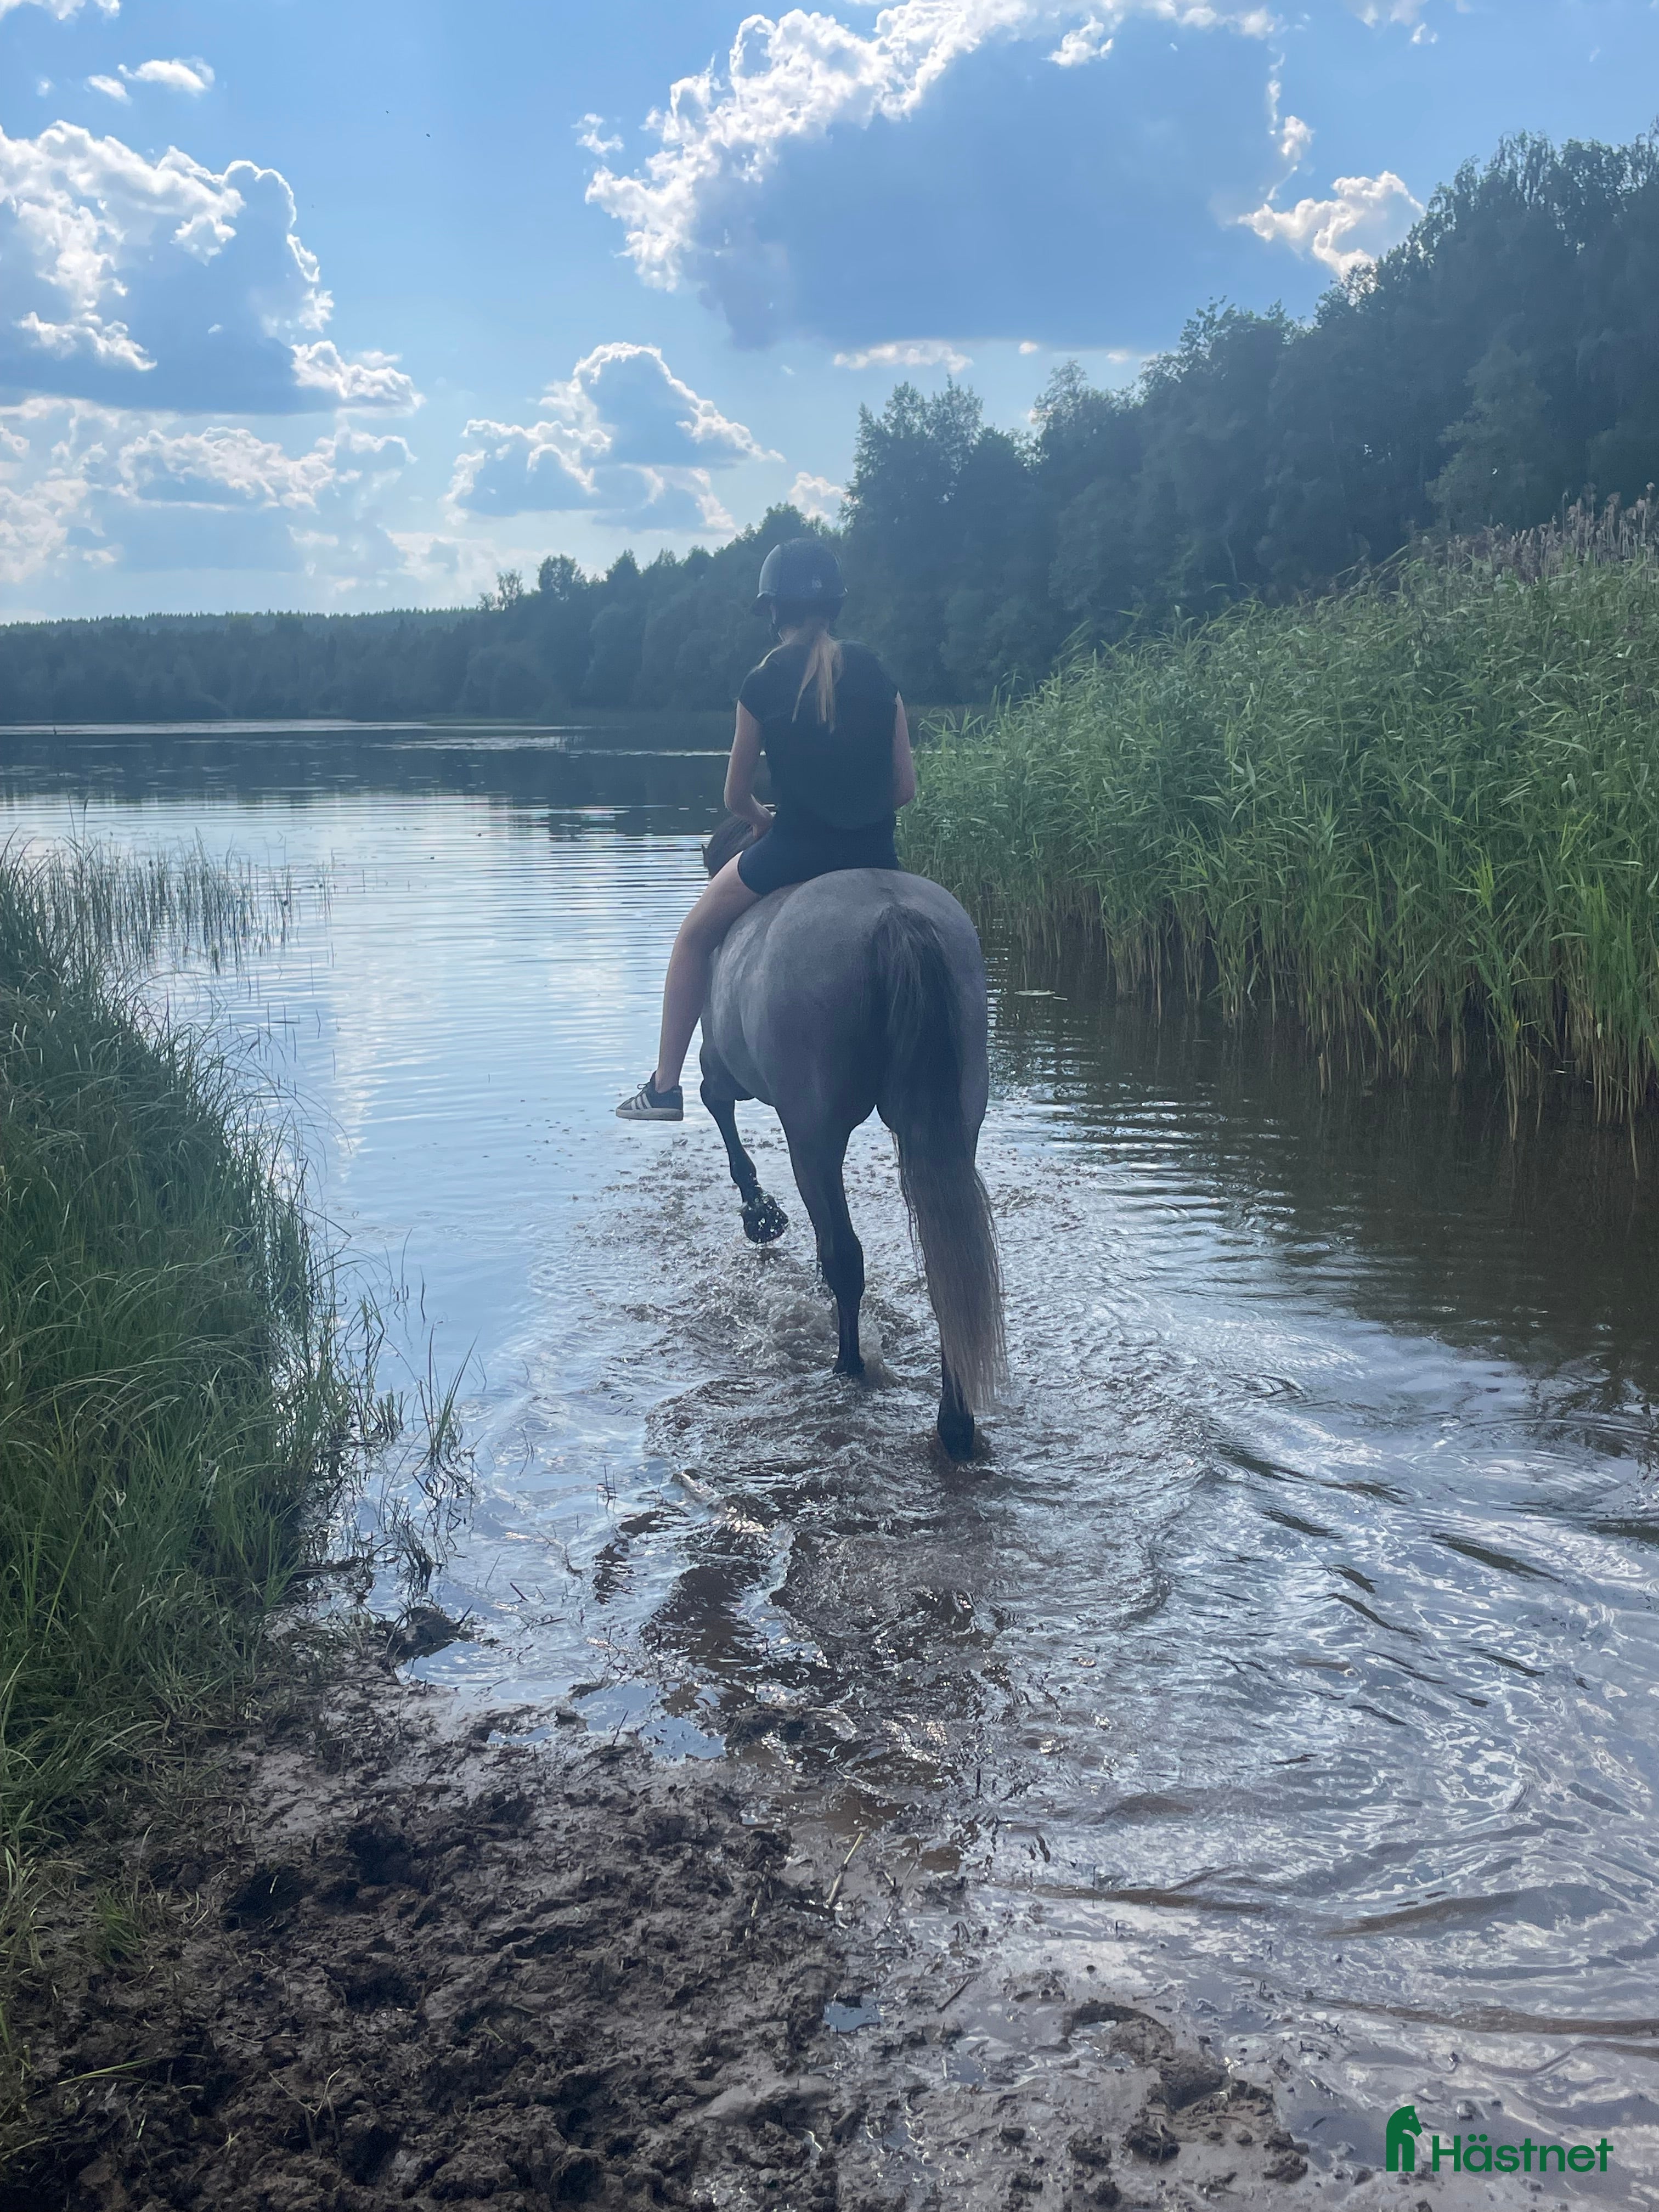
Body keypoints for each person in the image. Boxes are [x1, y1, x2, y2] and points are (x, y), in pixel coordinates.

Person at [616, 538, 916, 1121]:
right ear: (836, 605)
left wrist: (761, 821)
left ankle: (664, 1088)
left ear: (773, 609)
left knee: (693, 938)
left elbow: (734, 795)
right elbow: (903, 789)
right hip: (879, 854)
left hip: (796, 849)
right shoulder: (877, 673)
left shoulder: (762, 681)